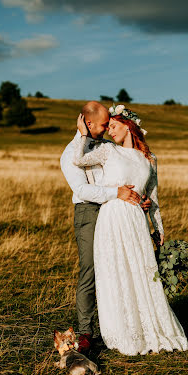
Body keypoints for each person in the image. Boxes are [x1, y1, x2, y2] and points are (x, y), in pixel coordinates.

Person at [72, 103, 188, 355]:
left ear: (128, 126)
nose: (110, 132)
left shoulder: (150, 159)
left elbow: (153, 197)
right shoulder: (108, 152)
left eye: (114, 126)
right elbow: (78, 159)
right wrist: (82, 133)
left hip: (135, 220)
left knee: (141, 271)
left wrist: (158, 229)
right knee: (115, 273)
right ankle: (121, 330)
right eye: (108, 126)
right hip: (111, 217)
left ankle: (149, 327)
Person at [60, 101, 152, 354]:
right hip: (90, 212)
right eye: (103, 124)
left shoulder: (109, 147)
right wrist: (117, 193)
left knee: (122, 267)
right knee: (90, 270)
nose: (107, 128)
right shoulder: (70, 153)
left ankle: (126, 325)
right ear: (88, 124)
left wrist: (137, 198)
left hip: (117, 212)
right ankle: (87, 331)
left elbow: (126, 175)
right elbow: (82, 189)